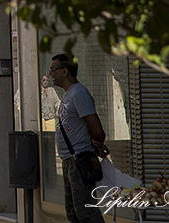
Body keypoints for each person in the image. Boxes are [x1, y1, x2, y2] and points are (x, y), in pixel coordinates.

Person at [50, 53, 107, 223]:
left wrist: (96, 141)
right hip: (69, 160)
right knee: (73, 211)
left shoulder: (79, 93)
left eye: (54, 69)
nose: (51, 73)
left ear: (65, 71)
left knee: (86, 212)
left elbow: (97, 129)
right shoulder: (68, 94)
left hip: (79, 159)